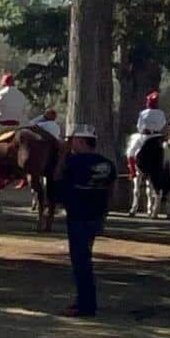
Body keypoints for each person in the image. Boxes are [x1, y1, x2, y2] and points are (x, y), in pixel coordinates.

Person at [58, 124, 116, 317]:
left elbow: (59, 180)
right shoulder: (107, 164)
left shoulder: (73, 163)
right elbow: (110, 190)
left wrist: (62, 157)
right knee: (85, 258)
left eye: (72, 140)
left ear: (80, 141)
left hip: (78, 216)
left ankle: (86, 305)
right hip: (96, 215)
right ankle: (84, 301)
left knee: (81, 262)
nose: (70, 143)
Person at [124, 91, 167, 177]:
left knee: (131, 152)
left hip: (145, 136)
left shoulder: (143, 113)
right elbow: (163, 124)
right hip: (158, 136)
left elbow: (139, 127)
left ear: (148, 102)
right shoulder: (161, 113)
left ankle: (133, 172)